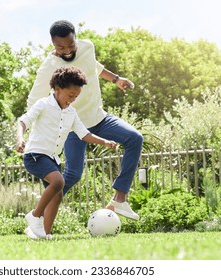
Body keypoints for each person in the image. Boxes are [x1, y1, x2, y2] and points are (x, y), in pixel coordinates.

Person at [27, 20, 143, 236]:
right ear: (53, 44)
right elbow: (33, 100)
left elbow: (94, 68)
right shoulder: (48, 68)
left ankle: (119, 198)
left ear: (76, 38)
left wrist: (116, 79)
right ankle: (39, 221)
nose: (68, 51)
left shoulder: (87, 47)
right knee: (71, 176)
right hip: (73, 128)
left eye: (71, 45)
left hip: (99, 118)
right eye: (61, 48)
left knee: (135, 138)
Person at [16, 66, 117, 239]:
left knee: (57, 194)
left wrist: (104, 141)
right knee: (58, 181)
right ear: (57, 89)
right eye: (70, 95)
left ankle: (44, 233)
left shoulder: (71, 112)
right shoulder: (43, 104)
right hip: (35, 155)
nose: (72, 100)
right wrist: (20, 139)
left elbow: (84, 134)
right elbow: (23, 121)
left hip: (52, 159)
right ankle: (34, 216)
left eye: (76, 97)